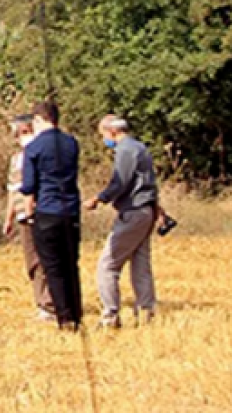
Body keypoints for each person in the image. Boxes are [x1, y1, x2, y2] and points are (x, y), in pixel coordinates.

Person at [84, 115, 160, 328]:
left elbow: (120, 182)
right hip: (146, 211)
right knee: (140, 263)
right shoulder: (141, 148)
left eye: (103, 135)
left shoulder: (125, 150)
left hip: (132, 212)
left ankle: (110, 316)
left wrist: (99, 199)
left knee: (107, 264)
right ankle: (146, 312)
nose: (103, 140)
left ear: (113, 132)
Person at [19, 100, 83, 330]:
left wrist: (29, 214)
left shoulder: (34, 148)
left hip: (47, 211)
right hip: (71, 211)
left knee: (53, 267)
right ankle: (76, 314)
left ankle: (64, 318)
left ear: (38, 119)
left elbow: (28, 186)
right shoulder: (71, 143)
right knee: (70, 265)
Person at [3, 114, 55, 321]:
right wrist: (9, 218)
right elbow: (13, 190)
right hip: (23, 216)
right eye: (18, 134)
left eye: (25, 132)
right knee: (32, 260)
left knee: (45, 259)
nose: (21, 137)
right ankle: (42, 302)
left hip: (41, 212)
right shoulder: (16, 160)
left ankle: (50, 304)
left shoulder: (45, 156)